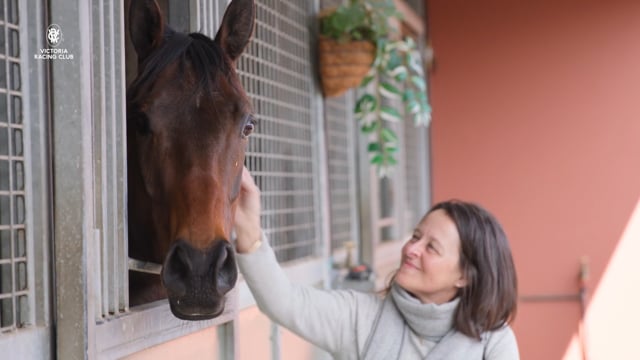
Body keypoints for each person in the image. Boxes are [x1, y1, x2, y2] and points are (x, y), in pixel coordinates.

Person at [233, 167, 519, 360]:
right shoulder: (363, 317)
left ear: (465, 276)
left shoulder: (493, 342)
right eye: (416, 236)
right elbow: (284, 302)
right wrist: (248, 228)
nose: (412, 249)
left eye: (431, 247)